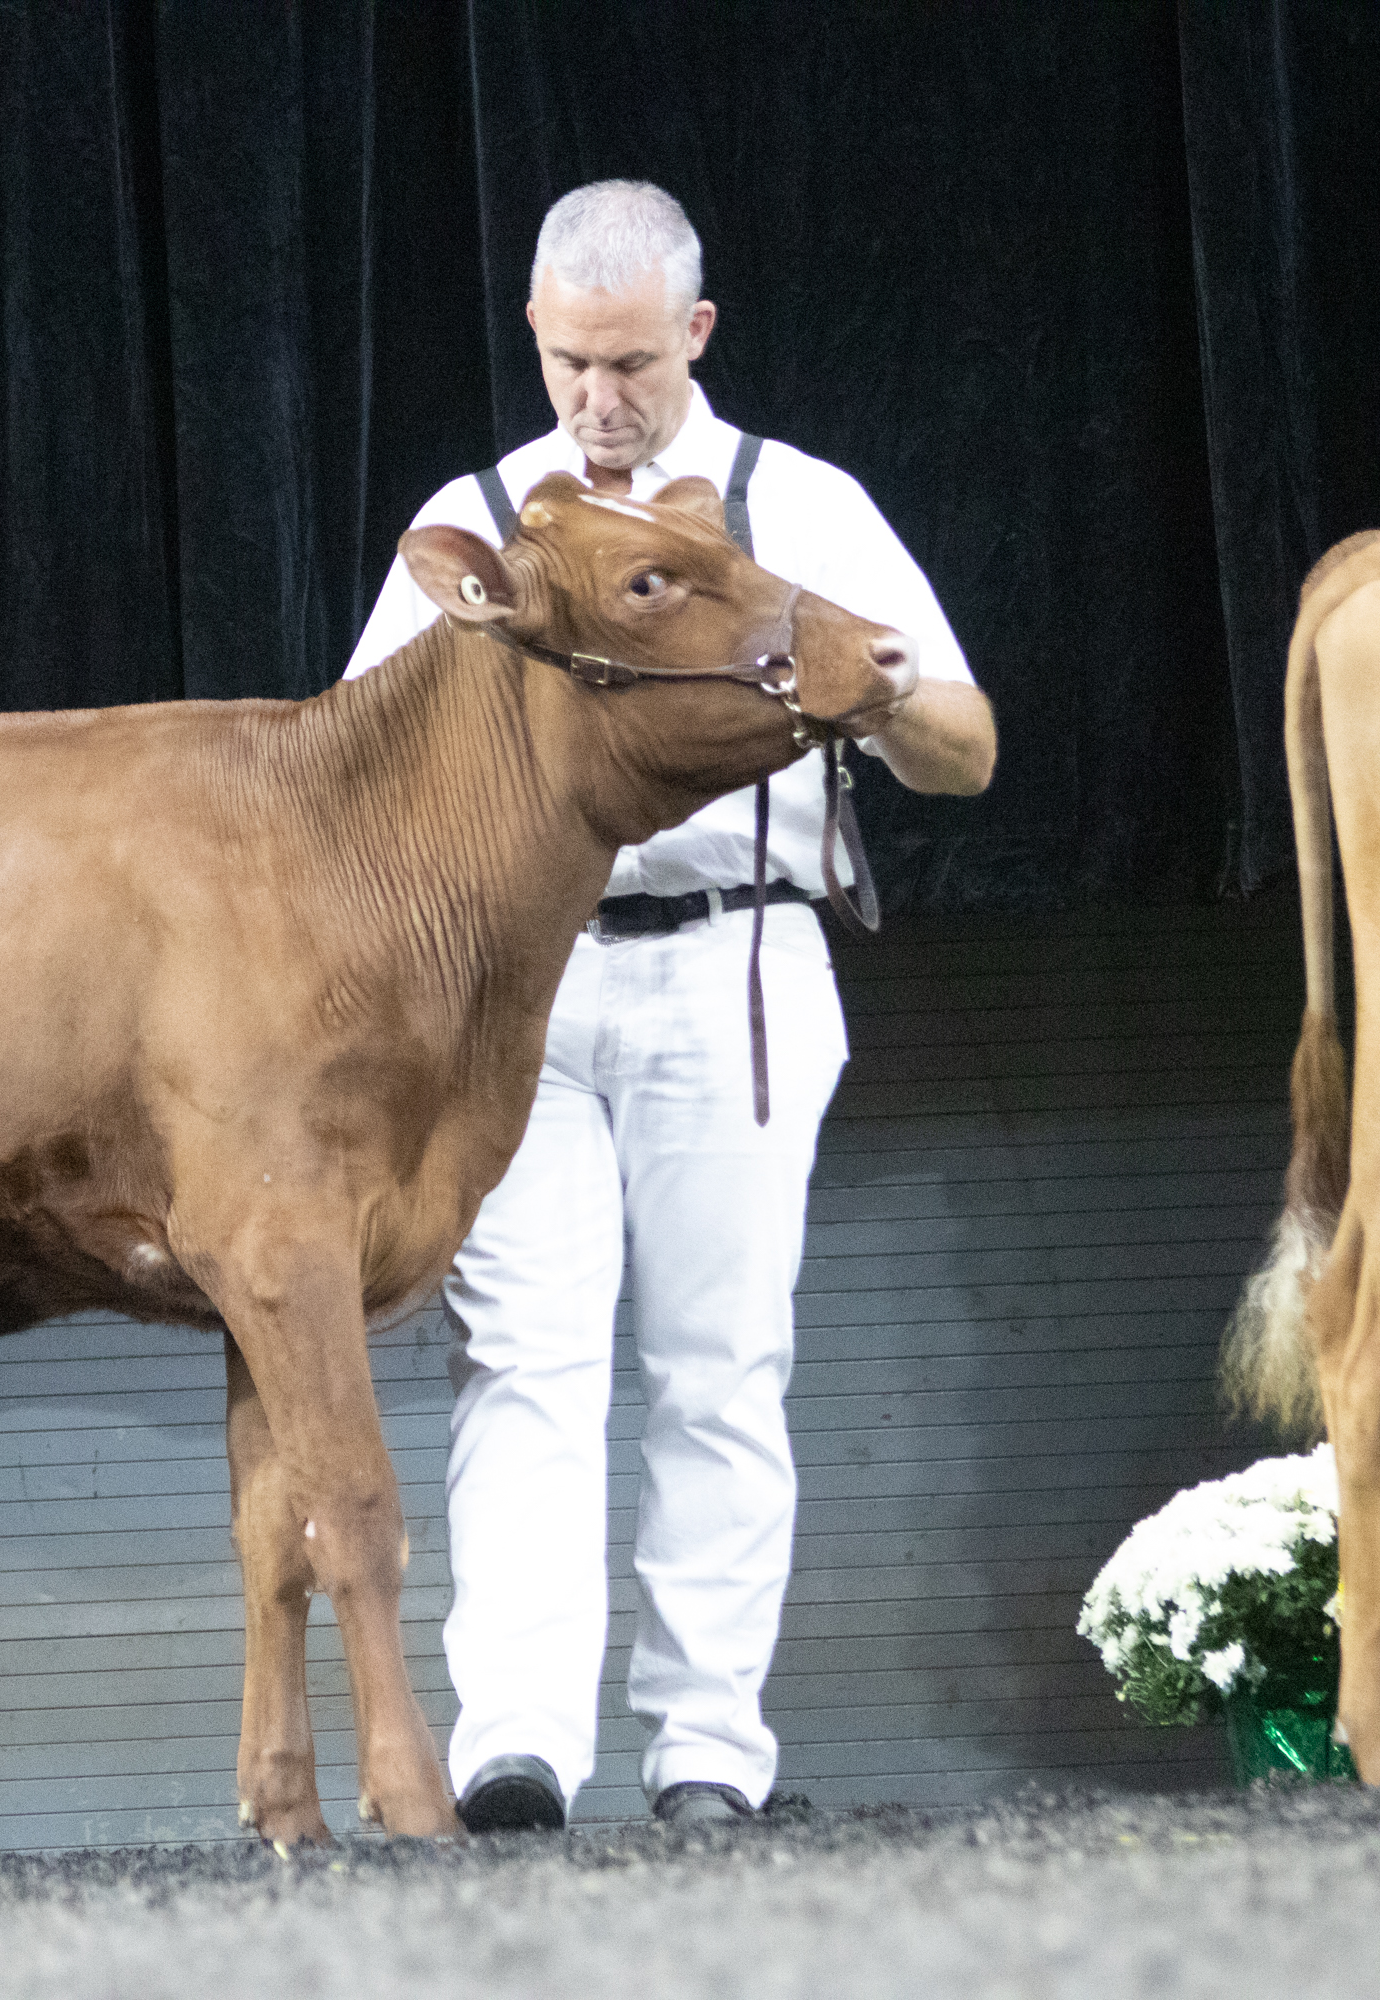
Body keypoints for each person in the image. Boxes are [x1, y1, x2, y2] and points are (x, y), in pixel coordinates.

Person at [341, 182, 996, 1831]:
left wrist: (877, 695)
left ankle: (708, 1754)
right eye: (570, 361)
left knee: (721, 1365)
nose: (598, 398)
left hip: (736, 959)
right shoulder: (479, 518)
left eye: (629, 362)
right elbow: (355, 772)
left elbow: (968, 749)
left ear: (695, 334)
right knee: (523, 1357)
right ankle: (516, 1750)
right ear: (536, 334)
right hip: (522, 986)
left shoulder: (797, 504)